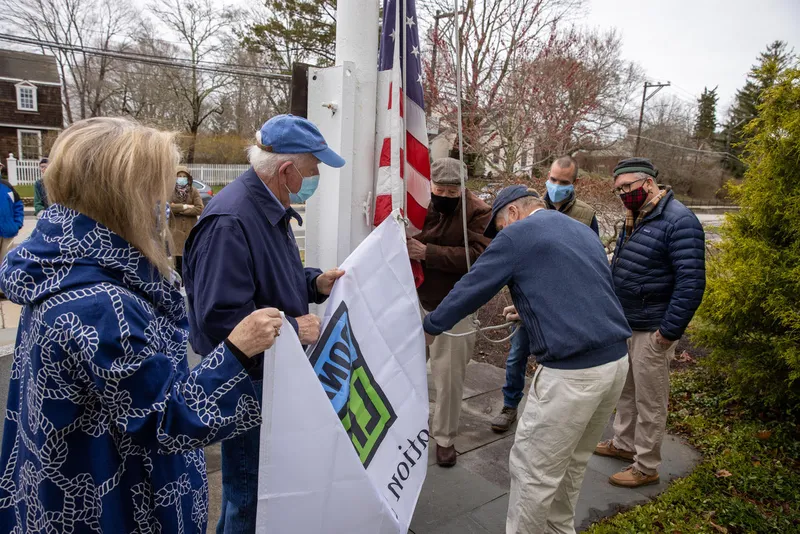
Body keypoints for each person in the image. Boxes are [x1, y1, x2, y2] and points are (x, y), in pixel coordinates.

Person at [0, 117, 287, 533]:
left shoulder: (60, 264)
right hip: (112, 505)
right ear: (124, 196)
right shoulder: (104, 303)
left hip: (59, 496)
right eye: (157, 189)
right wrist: (237, 351)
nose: (163, 204)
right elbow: (165, 420)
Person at [423, 185, 631, 534]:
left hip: (572, 375)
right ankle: (558, 530)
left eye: (501, 226)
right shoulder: (580, 229)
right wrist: (531, 308)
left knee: (533, 472)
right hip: (614, 365)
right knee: (572, 465)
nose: (501, 233)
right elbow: (585, 286)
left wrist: (430, 325)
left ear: (514, 213)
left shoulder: (518, 234)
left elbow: (472, 287)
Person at [183, 114, 346, 534]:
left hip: (269, 373)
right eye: (314, 169)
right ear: (288, 170)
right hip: (248, 382)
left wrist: (315, 283)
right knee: (249, 493)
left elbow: (271, 278)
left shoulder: (267, 206)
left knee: (262, 485)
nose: (316, 178)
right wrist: (295, 328)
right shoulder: (231, 220)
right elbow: (221, 317)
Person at [595, 157, 705, 488]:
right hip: (628, 322)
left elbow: (691, 283)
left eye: (626, 187)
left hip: (652, 328)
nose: (622, 195)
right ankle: (623, 444)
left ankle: (646, 465)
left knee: (650, 400)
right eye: (618, 190)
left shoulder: (679, 221)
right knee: (626, 392)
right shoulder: (637, 216)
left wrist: (667, 333)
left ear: (647, 183)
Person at [491, 156, 600, 433]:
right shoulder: (530, 208)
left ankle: (548, 416)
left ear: (575, 183)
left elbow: (592, 261)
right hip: (529, 302)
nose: (556, 186)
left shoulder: (586, 216)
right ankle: (510, 404)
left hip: (564, 307)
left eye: (563, 182)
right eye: (553, 179)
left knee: (553, 363)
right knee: (517, 355)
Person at [408, 157, 492, 467]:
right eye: (439, 189)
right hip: (413, 297)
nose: (444, 196)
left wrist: (427, 252)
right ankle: (405, 425)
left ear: (463, 190)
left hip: (454, 304)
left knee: (450, 379)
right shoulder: (417, 199)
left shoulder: (479, 212)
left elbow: (480, 257)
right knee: (404, 367)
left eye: (452, 192)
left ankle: (445, 437)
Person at [169, 166, 204, 275]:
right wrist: (185, 206)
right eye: (179, 176)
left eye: (184, 176)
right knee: (176, 265)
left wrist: (178, 210)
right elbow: (167, 207)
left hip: (189, 231)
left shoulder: (193, 191)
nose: (182, 178)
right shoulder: (170, 191)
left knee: (189, 262)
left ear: (188, 178)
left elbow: (199, 208)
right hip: (175, 232)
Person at [0, 171, 24, 263]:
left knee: (6, 264)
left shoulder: (7, 186)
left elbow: (18, 205)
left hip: (8, 232)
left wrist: (17, 223)